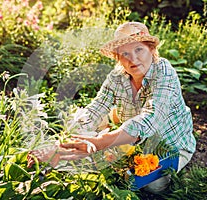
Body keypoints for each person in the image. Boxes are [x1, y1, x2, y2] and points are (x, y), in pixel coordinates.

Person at [27, 21, 196, 193]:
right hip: (134, 139)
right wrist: (58, 147)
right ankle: (107, 130)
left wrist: (100, 143)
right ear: (118, 58)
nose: (133, 59)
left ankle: (110, 134)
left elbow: (151, 119)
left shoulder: (164, 71)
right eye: (125, 53)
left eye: (139, 50)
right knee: (93, 121)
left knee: (153, 186)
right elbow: (95, 109)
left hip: (170, 145)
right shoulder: (117, 76)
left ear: (151, 50)